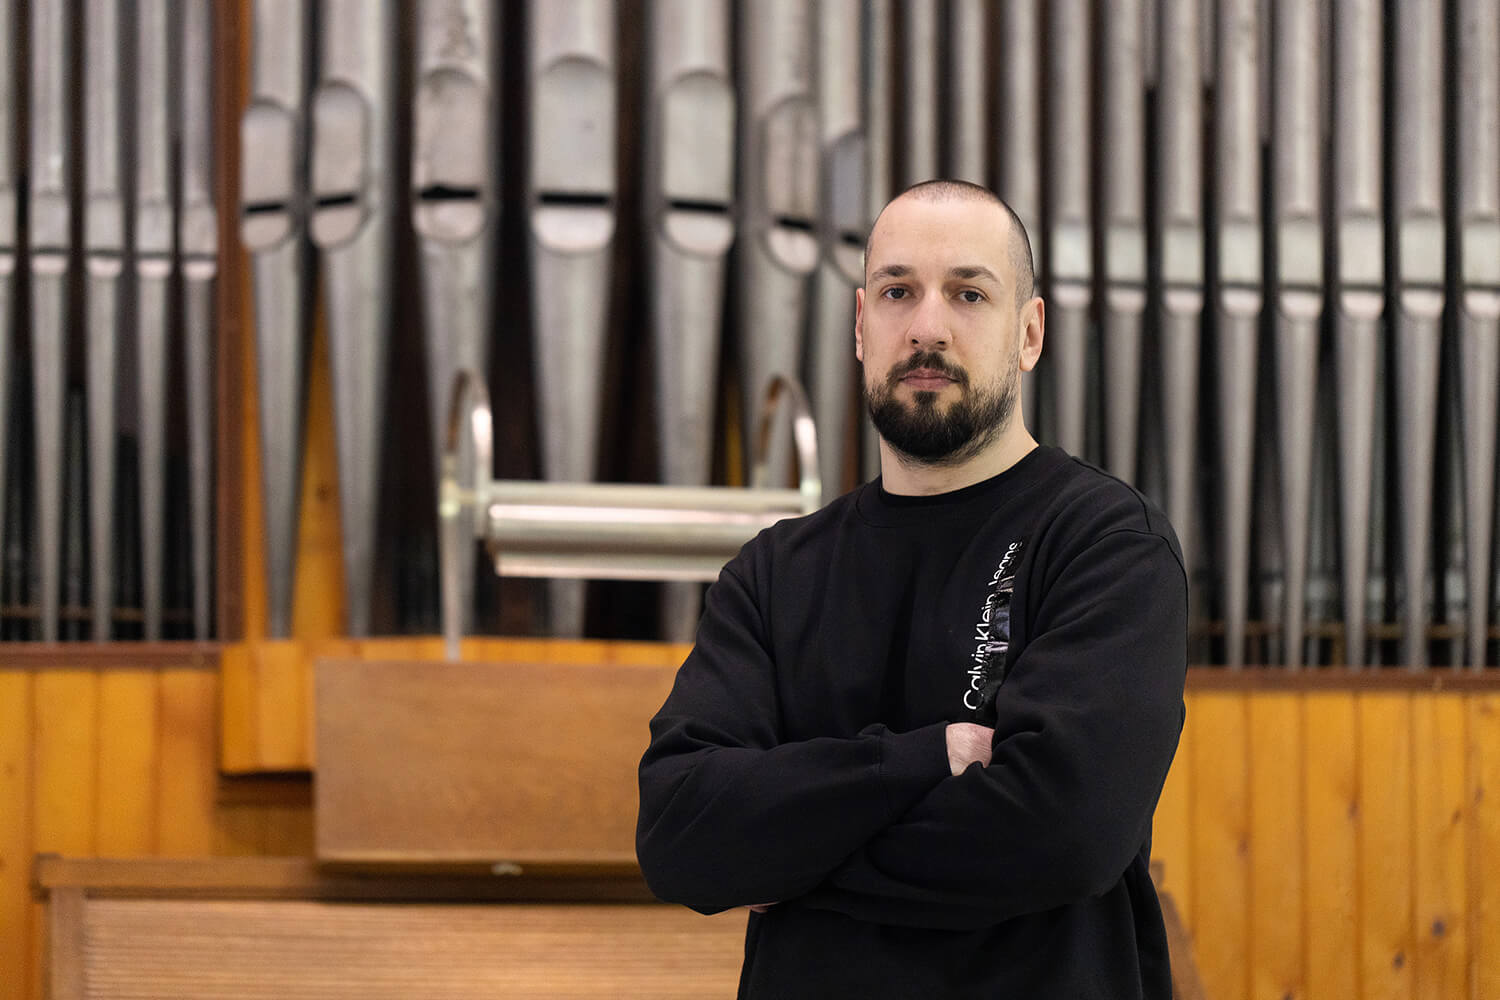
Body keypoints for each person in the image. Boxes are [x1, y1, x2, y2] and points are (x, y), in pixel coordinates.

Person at [636, 179, 1187, 999]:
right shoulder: (773, 573)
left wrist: (795, 858)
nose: (928, 327)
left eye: (969, 293)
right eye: (898, 292)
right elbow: (680, 832)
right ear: (862, 326)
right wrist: (921, 760)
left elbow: (1064, 834)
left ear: (1029, 333)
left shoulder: (1106, 544)